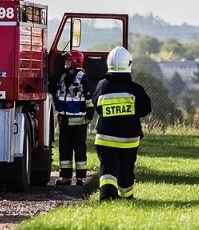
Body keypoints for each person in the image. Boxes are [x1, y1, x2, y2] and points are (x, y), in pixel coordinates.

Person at [91, 45, 151, 201]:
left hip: (105, 139)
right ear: (129, 64)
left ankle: (107, 196)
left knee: (108, 167)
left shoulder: (102, 86)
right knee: (126, 169)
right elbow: (146, 109)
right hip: (129, 140)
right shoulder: (135, 89)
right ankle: (127, 196)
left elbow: (96, 104)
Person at [53, 49, 93, 185]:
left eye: (68, 60)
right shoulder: (63, 77)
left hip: (79, 122)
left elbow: (89, 99)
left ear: (75, 62)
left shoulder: (82, 78)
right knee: (64, 150)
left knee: (80, 149)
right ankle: (66, 177)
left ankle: (81, 177)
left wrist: (89, 116)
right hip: (64, 121)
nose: (65, 62)